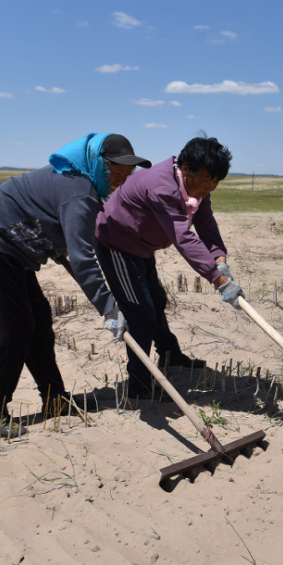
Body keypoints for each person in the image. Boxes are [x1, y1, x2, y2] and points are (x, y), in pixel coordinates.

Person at [0, 133, 150, 436]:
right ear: (98, 164)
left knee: (38, 320)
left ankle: (53, 398)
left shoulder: (81, 183)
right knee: (14, 326)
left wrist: (58, 244)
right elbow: (84, 261)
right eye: (116, 173)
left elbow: (55, 219)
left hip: (13, 243)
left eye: (126, 176)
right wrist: (110, 309)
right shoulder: (81, 194)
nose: (120, 182)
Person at [95, 134, 243, 399]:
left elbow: (205, 221)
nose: (211, 187)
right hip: (117, 245)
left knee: (156, 300)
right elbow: (184, 237)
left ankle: (170, 356)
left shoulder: (196, 186)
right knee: (141, 314)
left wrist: (219, 259)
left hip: (141, 247)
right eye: (207, 179)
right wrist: (219, 281)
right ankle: (139, 387)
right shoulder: (162, 186)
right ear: (186, 170)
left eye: (216, 181)